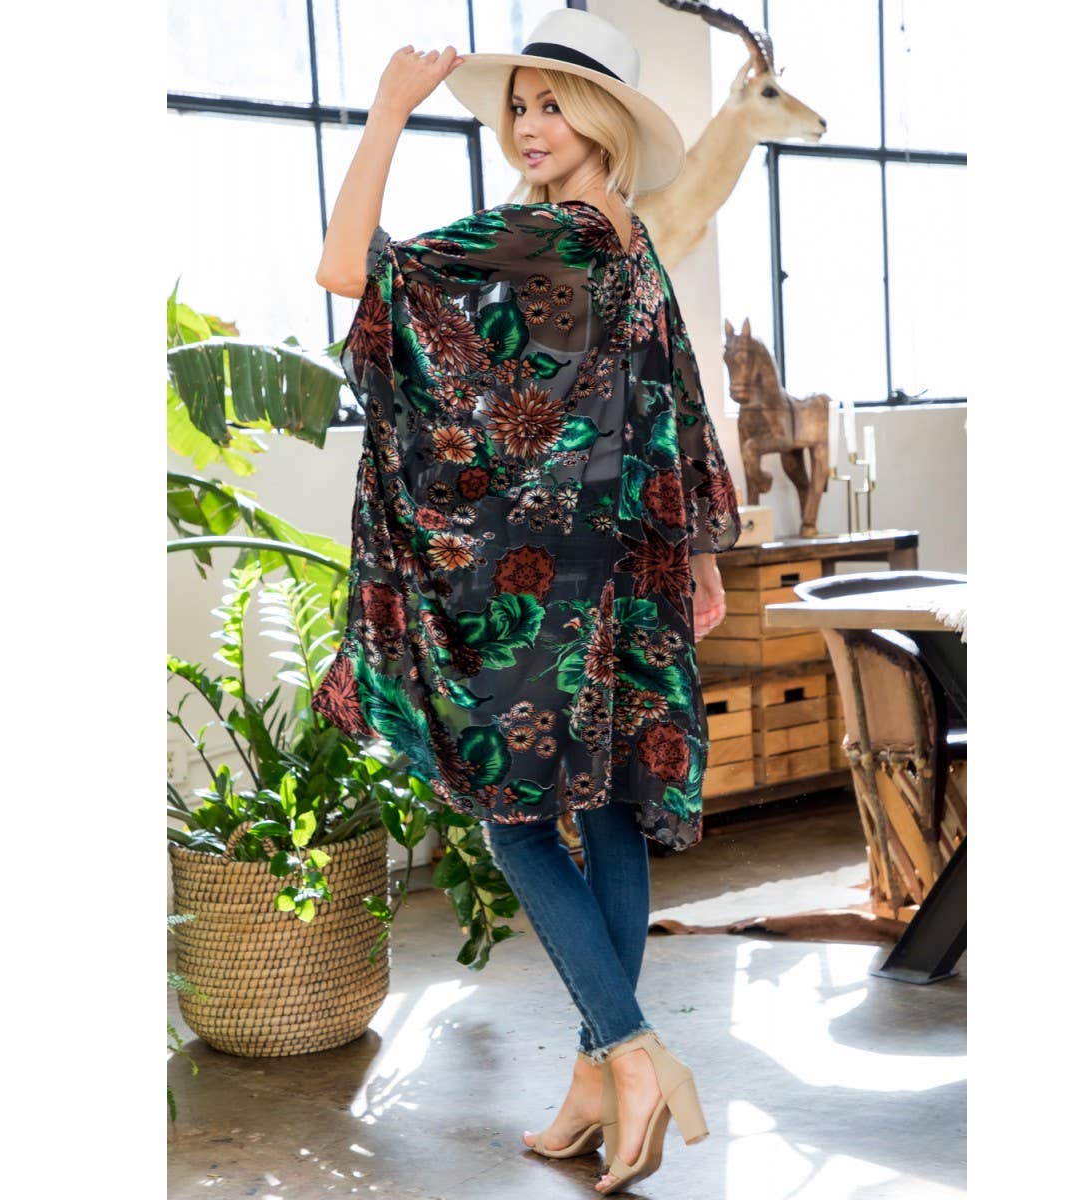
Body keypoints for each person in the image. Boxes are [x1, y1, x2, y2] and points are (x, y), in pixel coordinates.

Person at [313, 10, 741, 1194]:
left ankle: (634, 1051)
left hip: (551, 585)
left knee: (514, 815)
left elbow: (349, 273)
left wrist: (389, 112)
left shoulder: (550, 233)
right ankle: (601, 1078)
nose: (529, 126)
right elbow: (673, 397)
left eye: (554, 104)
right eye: (517, 107)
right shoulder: (628, 242)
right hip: (625, 571)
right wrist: (698, 555)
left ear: (603, 119)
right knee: (605, 812)